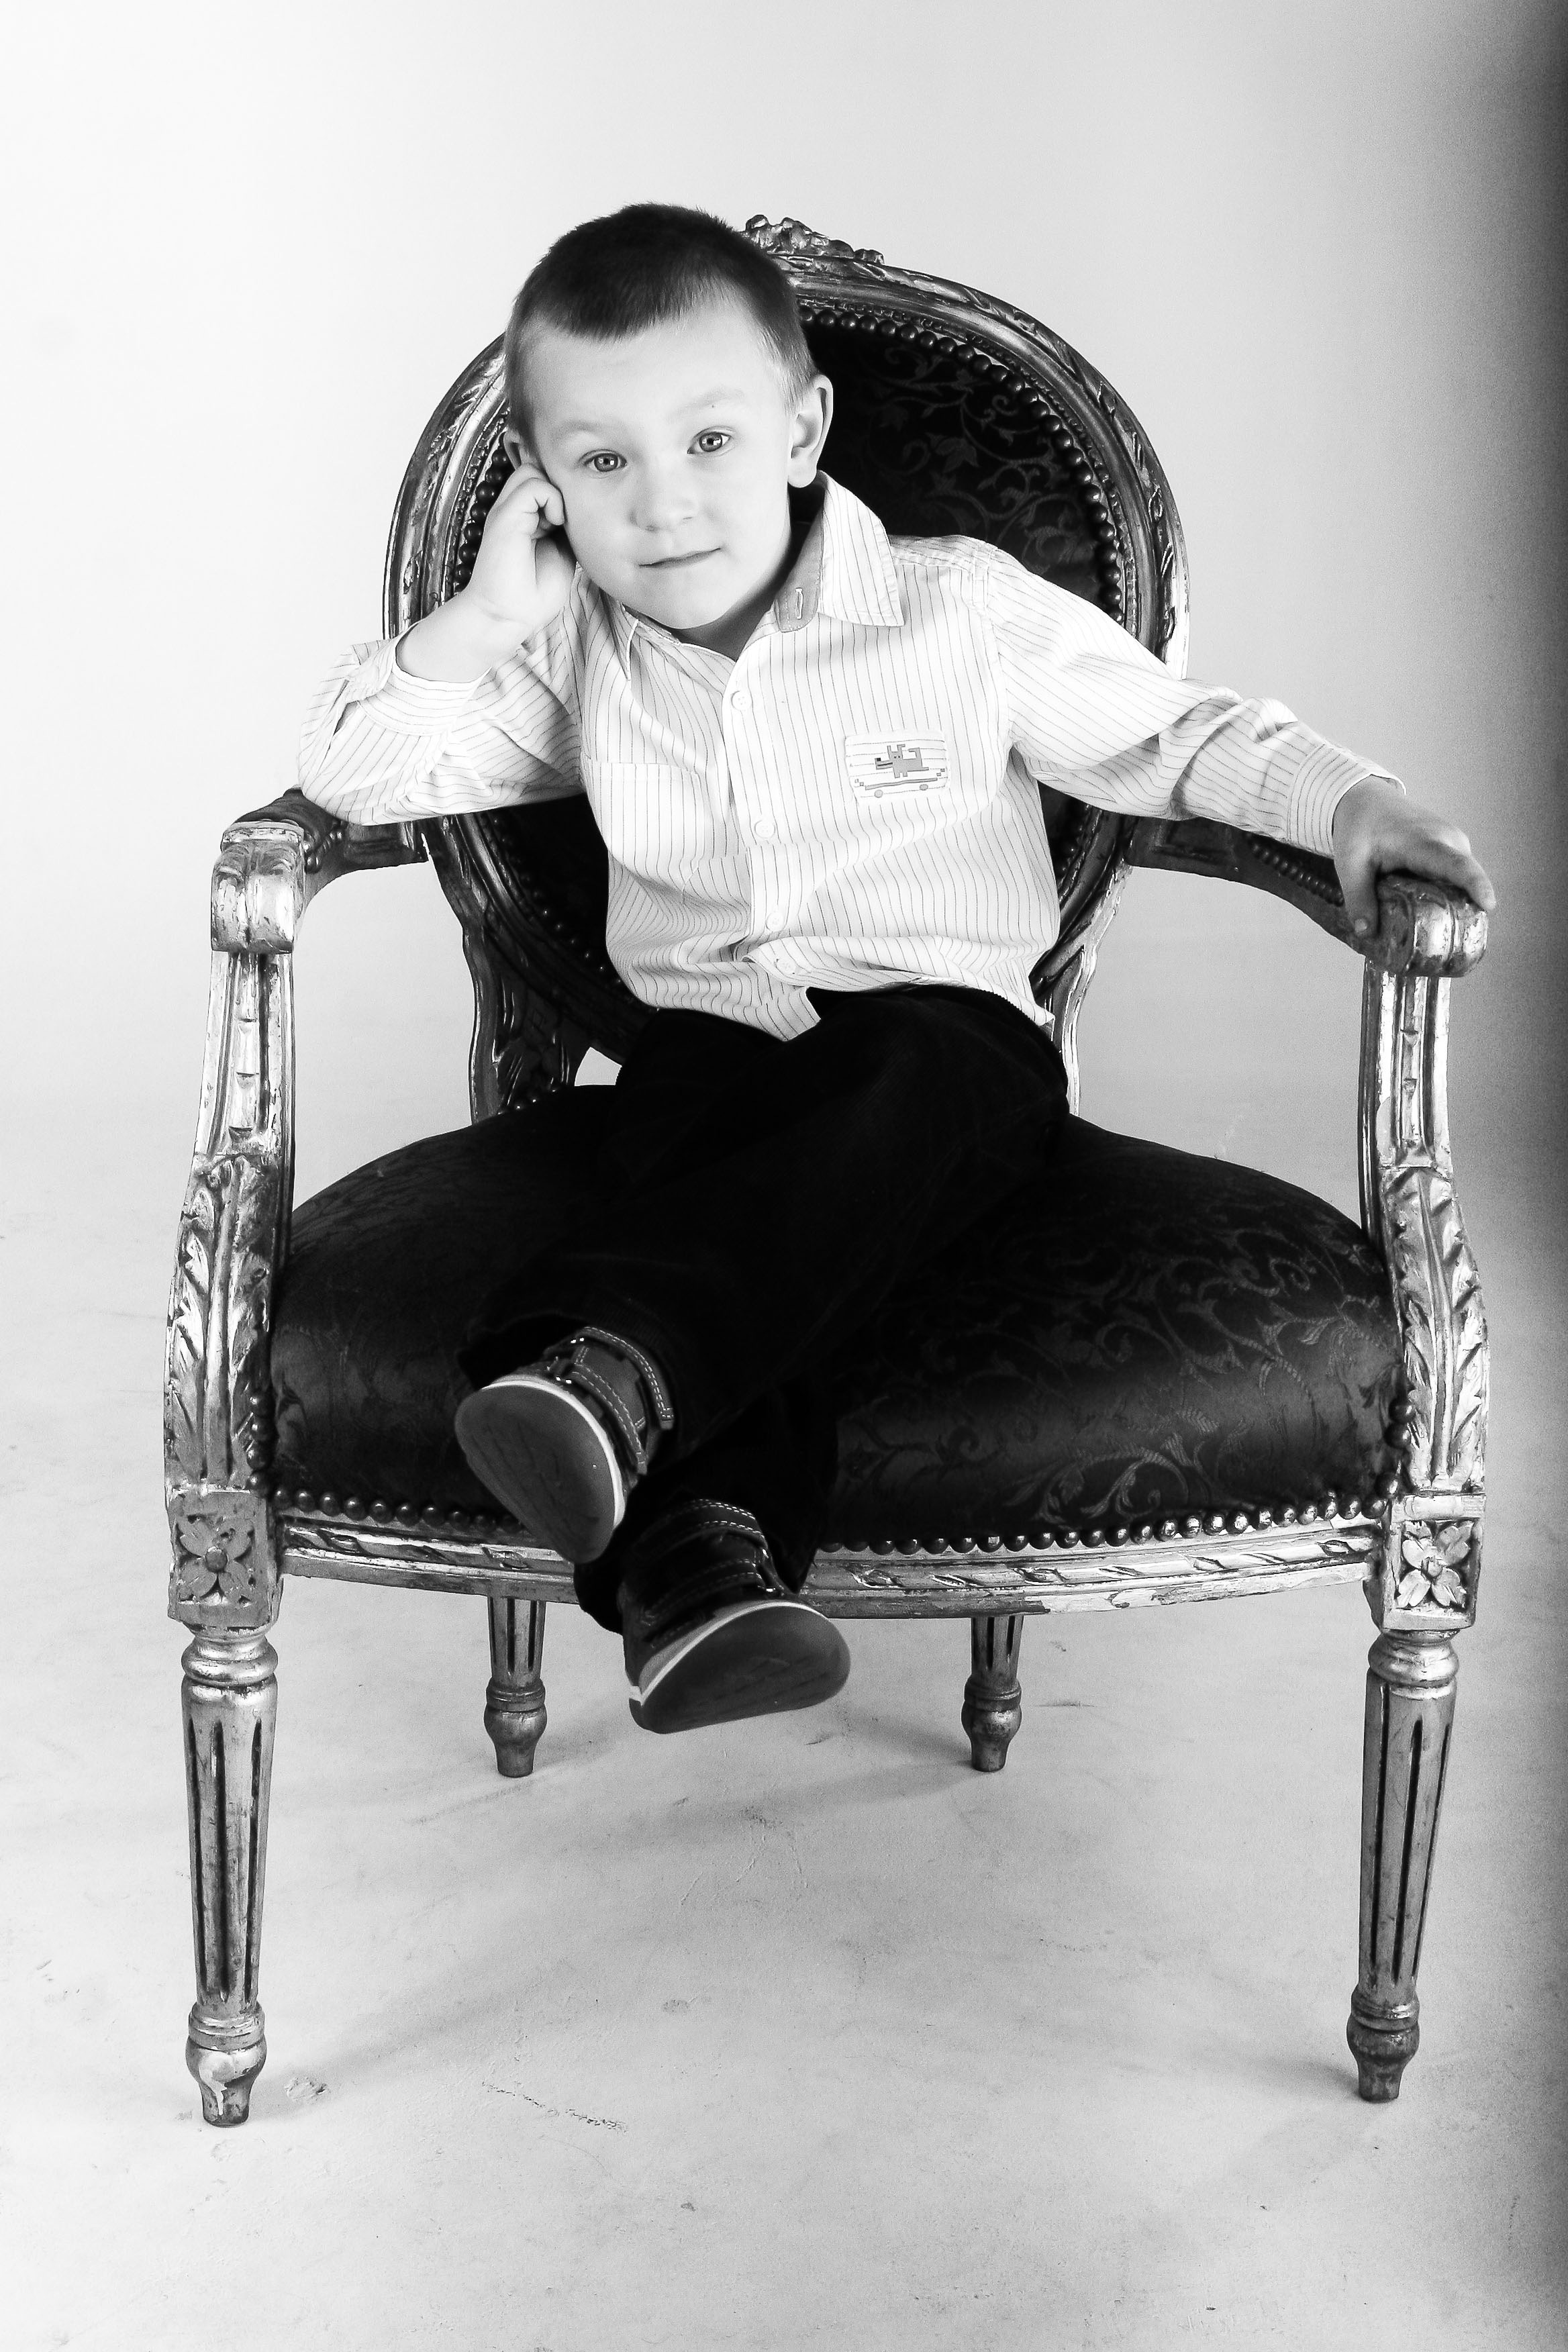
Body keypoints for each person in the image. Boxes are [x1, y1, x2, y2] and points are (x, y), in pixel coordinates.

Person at [298, 203, 1496, 1738]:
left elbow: (1176, 736)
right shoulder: (571, 650)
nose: (663, 502)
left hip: (948, 1057)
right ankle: (696, 1571)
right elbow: (357, 774)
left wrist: (1348, 801)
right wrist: (478, 619)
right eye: (602, 463)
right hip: (710, 1048)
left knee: (885, 1086)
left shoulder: (956, 609)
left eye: (710, 441)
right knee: (716, 1155)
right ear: (542, 486)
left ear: (802, 431)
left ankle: (608, 1362)